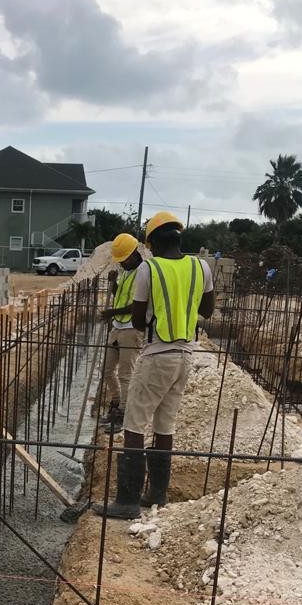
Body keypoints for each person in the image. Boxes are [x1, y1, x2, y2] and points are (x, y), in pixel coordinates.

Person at [94, 211, 214, 520]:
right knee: (165, 425)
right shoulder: (201, 266)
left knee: (134, 424)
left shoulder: (150, 268)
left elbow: (136, 318)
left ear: (152, 244)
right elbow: (208, 309)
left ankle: (127, 500)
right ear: (178, 237)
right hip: (186, 355)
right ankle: (157, 493)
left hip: (157, 352)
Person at [98, 233, 144, 429]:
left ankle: (124, 414)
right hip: (118, 327)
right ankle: (116, 403)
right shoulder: (126, 272)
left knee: (126, 374)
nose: (121, 264)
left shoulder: (143, 273)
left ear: (133, 254)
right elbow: (122, 296)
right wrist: (114, 284)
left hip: (131, 329)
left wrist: (111, 312)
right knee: (107, 370)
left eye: (123, 260)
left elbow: (137, 305)